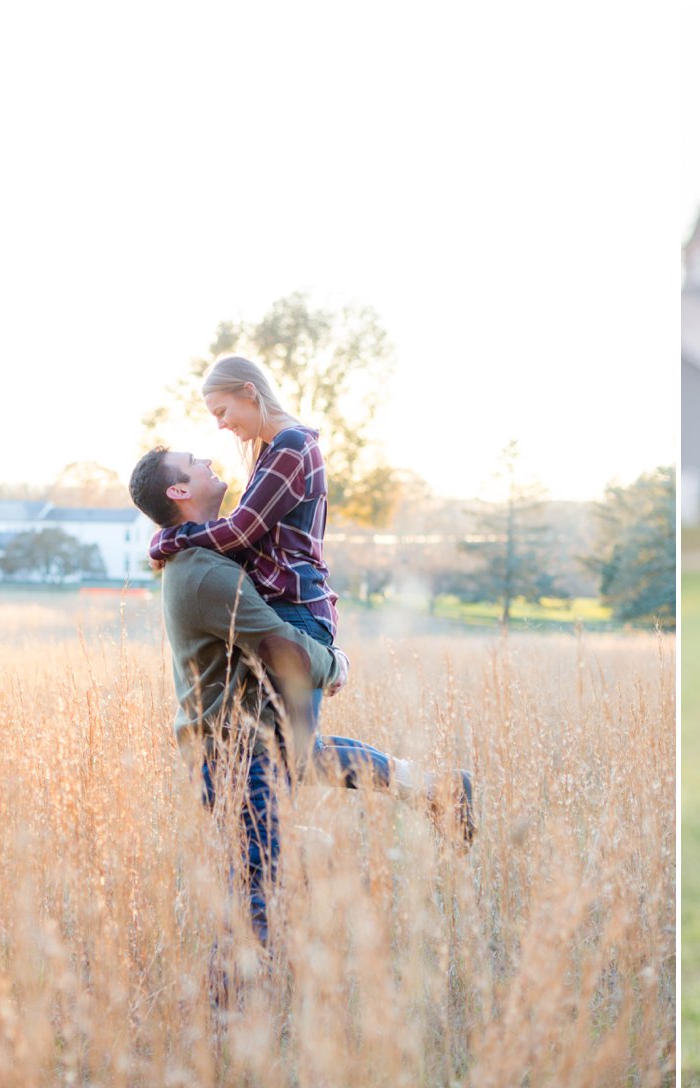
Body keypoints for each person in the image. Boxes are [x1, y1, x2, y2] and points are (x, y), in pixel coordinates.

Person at [145, 355, 472, 844]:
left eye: (222, 408)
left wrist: (170, 539)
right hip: (284, 609)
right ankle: (318, 843)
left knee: (288, 758)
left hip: (295, 609)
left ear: (249, 392)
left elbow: (243, 530)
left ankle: (320, 841)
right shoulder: (270, 450)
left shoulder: (292, 446)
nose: (220, 424)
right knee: (288, 755)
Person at [127, 448, 344, 948]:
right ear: (178, 492)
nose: (206, 459)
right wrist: (337, 664)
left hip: (236, 748)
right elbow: (282, 649)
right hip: (233, 756)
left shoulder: (207, 553)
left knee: (258, 882)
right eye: (192, 461)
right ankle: (234, 1013)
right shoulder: (206, 573)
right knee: (256, 901)